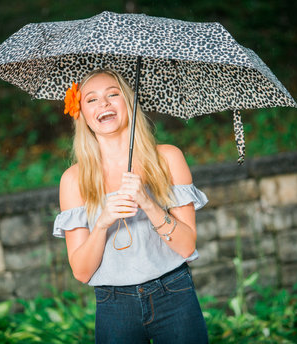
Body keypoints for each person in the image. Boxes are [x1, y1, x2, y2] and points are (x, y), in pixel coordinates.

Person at [53, 68, 209, 343]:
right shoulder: (74, 180)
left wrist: (148, 203)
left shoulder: (168, 159)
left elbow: (186, 246)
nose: (104, 104)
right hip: (114, 306)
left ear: (130, 103)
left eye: (113, 95)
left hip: (174, 294)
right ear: (82, 114)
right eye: (91, 99)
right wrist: (102, 223)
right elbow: (82, 271)